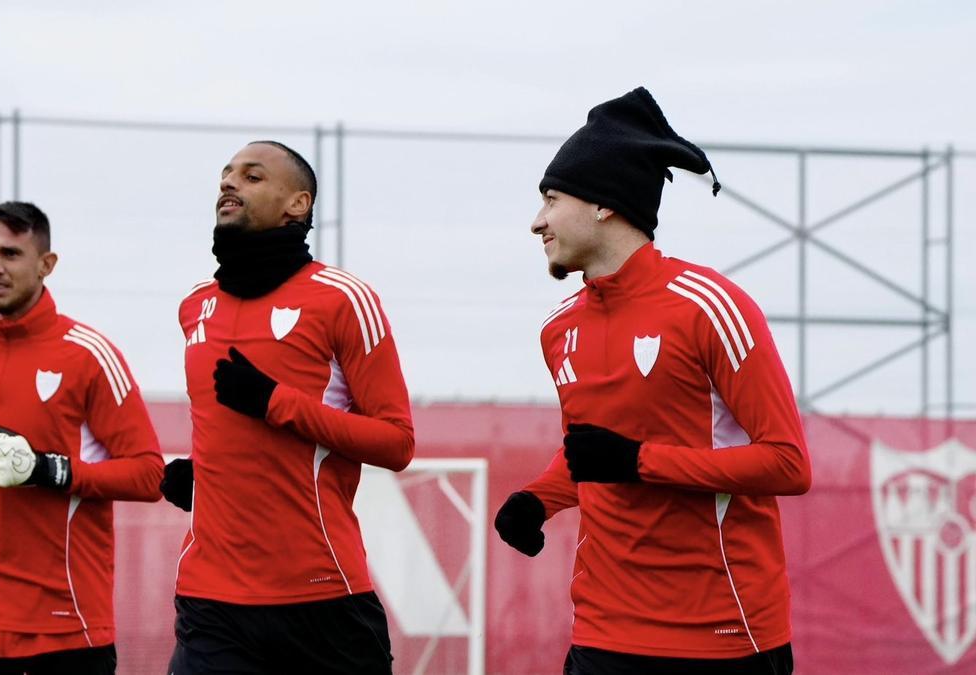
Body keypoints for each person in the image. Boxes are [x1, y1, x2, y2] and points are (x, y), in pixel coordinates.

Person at [493, 88, 812, 675]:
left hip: (722, 637)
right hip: (601, 632)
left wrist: (640, 462)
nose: (537, 220)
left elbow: (787, 463)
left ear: (602, 205)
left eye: (551, 198)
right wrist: (538, 499)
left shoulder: (710, 306)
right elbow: (591, 454)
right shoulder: (558, 330)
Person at [159, 141, 414, 674]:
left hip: (321, 601)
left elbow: (396, 442)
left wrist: (276, 403)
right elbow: (222, 432)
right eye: (226, 175)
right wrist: (200, 477)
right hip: (211, 602)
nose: (229, 184)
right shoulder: (194, 305)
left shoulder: (343, 298)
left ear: (297, 204)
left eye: (252, 177)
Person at [0, 201, 164, 675]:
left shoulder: (89, 355)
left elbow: (150, 474)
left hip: (63, 628)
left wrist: (50, 470)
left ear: (47, 265)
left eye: (10, 253)